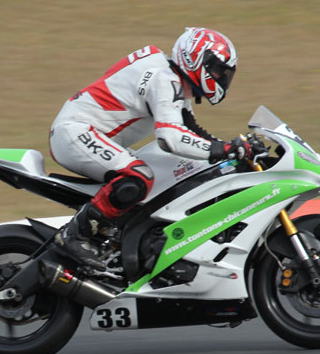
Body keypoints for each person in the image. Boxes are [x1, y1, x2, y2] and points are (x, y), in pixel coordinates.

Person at [49, 27, 254, 270]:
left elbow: (195, 133)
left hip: (85, 134)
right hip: (75, 133)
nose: (221, 77)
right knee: (138, 176)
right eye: (217, 69)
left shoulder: (171, 79)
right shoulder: (164, 79)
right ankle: (74, 235)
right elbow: (171, 138)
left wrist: (235, 150)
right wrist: (228, 149)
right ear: (196, 59)